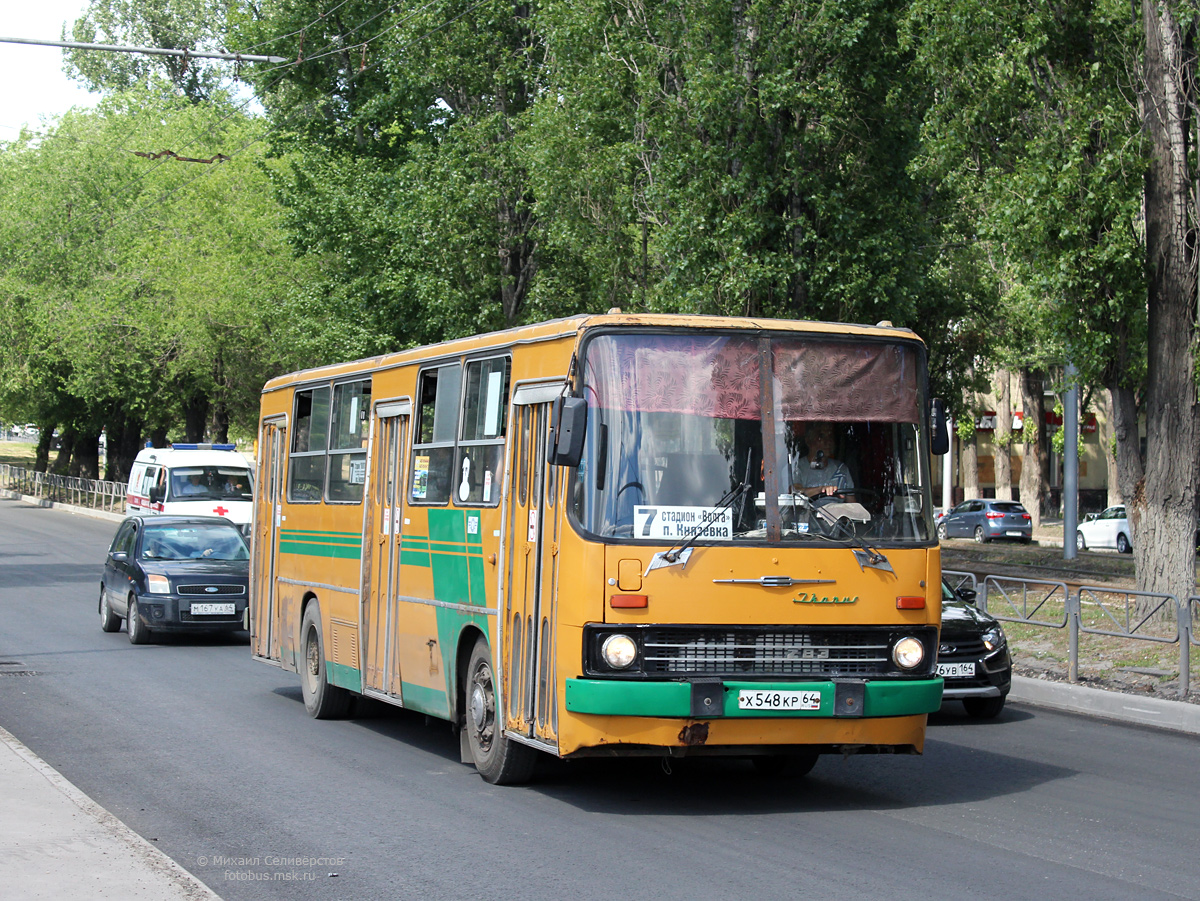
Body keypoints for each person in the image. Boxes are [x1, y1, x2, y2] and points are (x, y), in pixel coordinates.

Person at [790, 422, 854, 498]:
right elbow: (795, 492)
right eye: (820, 437)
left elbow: (852, 504)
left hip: (838, 509)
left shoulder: (841, 469)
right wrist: (821, 490)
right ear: (808, 441)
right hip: (809, 510)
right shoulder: (796, 467)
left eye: (830, 437)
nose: (827, 442)